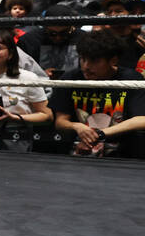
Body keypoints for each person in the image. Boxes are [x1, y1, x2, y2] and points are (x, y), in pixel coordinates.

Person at [48, 29, 145, 158]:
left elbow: (141, 119)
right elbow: (60, 122)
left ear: (113, 60)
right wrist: (77, 126)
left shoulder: (131, 79)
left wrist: (101, 133)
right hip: (79, 152)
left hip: (122, 153)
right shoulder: (71, 77)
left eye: (94, 61)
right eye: (83, 59)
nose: (86, 67)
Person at [0, 29, 51, 152]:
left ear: (10, 54)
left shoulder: (27, 78)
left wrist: (14, 117)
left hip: (17, 138)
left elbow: (46, 116)